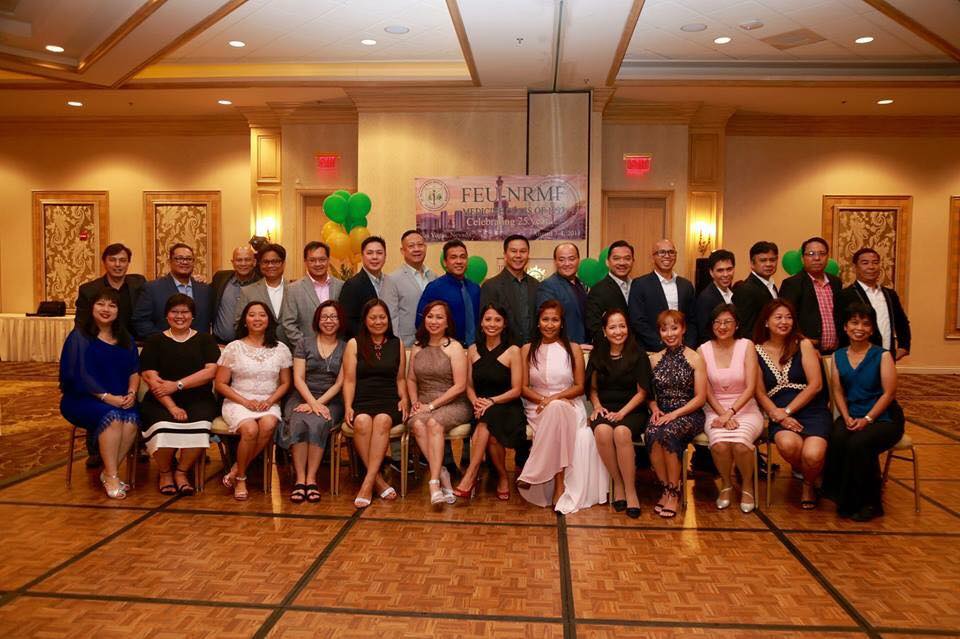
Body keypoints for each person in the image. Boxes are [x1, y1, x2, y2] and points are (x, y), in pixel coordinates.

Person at [517, 301, 608, 514]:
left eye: (555, 320)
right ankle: (557, 485)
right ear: (538, 322)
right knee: (555, 410)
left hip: (569, 403)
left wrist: (555, 398)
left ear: (562, 323)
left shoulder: (573, 349)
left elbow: (579, 387)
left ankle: (534, 473)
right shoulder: (527, 349)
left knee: (557, 408)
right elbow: (523, 387)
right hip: (537, 406)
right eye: (545, 319)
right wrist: (545, 400)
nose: (550, 324)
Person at [824, 302, 904, 522]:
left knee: (859, 443)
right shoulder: (838, 356)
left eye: (866, 324)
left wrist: (868, 419)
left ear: (872, 329)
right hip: (852, 413)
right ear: (845, 327)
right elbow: (838, 391)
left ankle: (870, 503)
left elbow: (889, 394)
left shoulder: (882, 355)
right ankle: (844, 499)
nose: (859, 328)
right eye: (854, 322)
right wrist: (845, 416)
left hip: (884, 417)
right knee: (837, 436)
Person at [59, 288, 141, 499]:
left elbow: (134, 371)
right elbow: (80, 376)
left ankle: (107, 472)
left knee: (132, 419)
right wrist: (106, 397)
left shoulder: (125, 339)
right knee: (113, 417)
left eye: (112, 305)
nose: (106, 309)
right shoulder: (79, 337)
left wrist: (132, 393)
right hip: (82, 398)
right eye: (101, 304)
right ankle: (113, 476)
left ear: (118, 311)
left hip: (119, 397)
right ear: (92, 308)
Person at [753, 299, 832, 509]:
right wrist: (776, 414)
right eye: (778, 317)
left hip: (812, 410)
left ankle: (808, 484)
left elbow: (816, 385)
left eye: (788, 317)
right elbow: (759, 391)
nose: (784, 322)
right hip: (778, 413)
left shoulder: (803, 344)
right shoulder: (755, 350)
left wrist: (787, 411)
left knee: (813, 454)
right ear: (766, 322)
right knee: (789, 445)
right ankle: (810, 473)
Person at [139, 294, 220, 497]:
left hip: (199, 399)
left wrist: (177, 385)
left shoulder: (205, 340)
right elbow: (151, 378)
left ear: (193, 316)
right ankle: (165, 472)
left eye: (185, 312)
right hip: (160, 400)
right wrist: (172, 406)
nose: (180, 316)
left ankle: (182, 472)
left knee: (200, 426)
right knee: (162, 427)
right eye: (174, 312)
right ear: (166, 315)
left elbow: (211, 372)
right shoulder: (154, 341)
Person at [74, 242, 145, 468]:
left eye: (122, 260)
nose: (118, 264)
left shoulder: (139, 284)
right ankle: (96, 449)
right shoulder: (89, 289)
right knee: (100, 395)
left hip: (130, 348)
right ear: (104, 262)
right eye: (113, 260)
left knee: (134, 395)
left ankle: (137, 445)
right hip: (100, 349)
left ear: (128, 263)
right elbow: (81, 325)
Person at [215, 301, 293, 501]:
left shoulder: (281, 348)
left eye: (262, 315)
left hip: (269, 401)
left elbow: (286, 383)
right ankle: (241, 478)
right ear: (244, 321)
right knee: (250, 429)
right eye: (252, 315)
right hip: (238, 401)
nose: (257, 319)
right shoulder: (234, 348)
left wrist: (270, 400)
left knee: (268, 424)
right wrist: (245, 402)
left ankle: (235, 469)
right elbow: (221, 384)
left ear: (269, 320)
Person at [454, 304, 525, 500]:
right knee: (490, 429)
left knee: (488, 420)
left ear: (504, 324)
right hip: (480, 406)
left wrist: (491, 401)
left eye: (497, 320)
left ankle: (471, 474)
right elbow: (468, 386)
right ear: (481, 323)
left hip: (507, 405)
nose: (492, 324)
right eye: (488, 319)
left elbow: (517, 390)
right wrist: (477, 402)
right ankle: (502, 477)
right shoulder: (472, 350)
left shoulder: (513, 351)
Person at [697, 304, 764, 513]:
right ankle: (726, 484)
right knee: (719, 445)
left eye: (727, 322)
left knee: (741, 445)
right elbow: (706, 390)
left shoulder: (747, 346)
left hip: (745, 407)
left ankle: (747, 485)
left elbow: (751, 387)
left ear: (737, 325)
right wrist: (722, 414)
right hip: (714, 408)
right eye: (717, 322)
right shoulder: (703, 350)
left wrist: (730, 413)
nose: (722, 326)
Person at [342, 299, 409, 508]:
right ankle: (378, 481)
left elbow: (400, 379)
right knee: (361, 421)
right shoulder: (354, 344)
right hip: (362, 398)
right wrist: (348, 406)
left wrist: (404, 398)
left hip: (389, 399)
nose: (378, 322)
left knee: (382, 421)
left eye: (382, 317)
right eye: (373, 317)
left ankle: (368, 483)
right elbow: (349, 380)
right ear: (365, 320)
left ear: (388, 319)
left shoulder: (397, 343)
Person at [406, 300, 473, 505]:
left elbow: (460, 386)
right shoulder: (417, 347)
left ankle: (434, 482)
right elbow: (411, 379)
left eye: (439, 317)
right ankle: (442, 471)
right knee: (418, 424)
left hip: (453, 402)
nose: (434, 321)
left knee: (434, 423)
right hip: (423, 402)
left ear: (447, 322)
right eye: (430, 316)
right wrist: (415, 402)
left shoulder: (454, 347)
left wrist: (432, 406)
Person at [279, 300, 345, 504]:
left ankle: (311, 479)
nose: (329, 321)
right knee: (298, 421)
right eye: (324, 317)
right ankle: (300, 479)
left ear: (340, 320)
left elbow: (340, 383)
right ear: (317, 320)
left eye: (333, 317)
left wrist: (318, 404)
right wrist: (311, 402)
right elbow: (298, 378)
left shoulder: (346, 347)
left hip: (331, 399)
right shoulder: (304, 343)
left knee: (317, 422)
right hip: (302, 396)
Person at [587, 309, 651, 518]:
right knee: (602, 431)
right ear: (604, 331)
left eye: (622, 326)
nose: (618, 331)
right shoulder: (598, 354)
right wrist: (597, 406)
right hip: (606, 408)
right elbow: (592, 389)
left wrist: (622, 413)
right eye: (612, 327)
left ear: (628, 328)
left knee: (621, 432)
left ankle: (631, 491)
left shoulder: (638, 354)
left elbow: (642, 393)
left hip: (632, 409)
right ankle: (618, 484)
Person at [646, 310, 706, 518]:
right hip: (662, 412)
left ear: (683, 329)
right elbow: (648, 394)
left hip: (690, 413)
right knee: (652, 432)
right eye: (664, 329)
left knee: (669, 432)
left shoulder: (696, 358)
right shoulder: (654, 359)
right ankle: (666, 488)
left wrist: (675, 414)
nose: (670, 333)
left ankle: (674, 491)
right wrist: (654, 408)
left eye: (674, 328)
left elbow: (700, 398)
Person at [836, 247, 911, 360]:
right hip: (857, 358)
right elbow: (840, 327)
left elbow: (902, 322)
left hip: (887, 356)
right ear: (855, 267)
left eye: (875, 263)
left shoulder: (890, 294)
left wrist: (904, 347)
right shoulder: (845, 295)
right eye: (865, 263)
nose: (871, 267)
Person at [132, 243, 213, 339]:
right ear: (169, 261)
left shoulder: (205, 289)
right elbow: (140, 321)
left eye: (188, 259)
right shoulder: (152, 288)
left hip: (199, 345)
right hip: (164, 345)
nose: (184, 262)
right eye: (179, 258)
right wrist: (164, 339)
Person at [629, 239, 697, 351]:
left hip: (683, 350)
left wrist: (687, 346)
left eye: (671, 252)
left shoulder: (686, 285)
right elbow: (638, 322)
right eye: (662, 252)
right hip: (652, 350)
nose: (667, 256)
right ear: (653, 257)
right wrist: (663, 346)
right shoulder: (640, 284)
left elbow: (692, 320)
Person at [779, 237, 841, 354]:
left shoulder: (836, 282)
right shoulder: (792, 284)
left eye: (822, 254)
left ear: (827, 257)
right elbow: (785, 319)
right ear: (803, 259)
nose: (817, 258)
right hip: (805, 351)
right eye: (811, 254)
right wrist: (803, 342)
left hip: (835, 352)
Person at [417, 240, 481, 347]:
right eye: (453, 257)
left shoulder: (475, 288)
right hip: (446, 348)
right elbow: (420, 321)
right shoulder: (435, 288)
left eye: (463, 257)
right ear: (445, 263)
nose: (459, 261)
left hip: (475, 348)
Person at [281, 241, 344, 348]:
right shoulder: (293, 289)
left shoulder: (341, 286)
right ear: (305, 262)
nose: (317, 264)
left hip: (338, 350)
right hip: (307, 352)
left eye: (322, 259)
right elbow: (289, 324)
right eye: (312, 260)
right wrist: (307, 348)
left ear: (328, 260)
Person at [479, 234, 539, 345]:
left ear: (528, 255)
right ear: (505, 255)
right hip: (504, 351)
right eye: (513, 251)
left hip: (533, 349)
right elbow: (486, 325)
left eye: (523, 251)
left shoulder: (536, 285)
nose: (518, 255)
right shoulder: (491, 286)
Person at [381, 230, 437, 347]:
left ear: (425, 247)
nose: (417, 249)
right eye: (411, 246)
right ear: (403, 251)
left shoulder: (433, 277)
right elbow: (390, 317)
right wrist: (395, 345)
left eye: (420, 245)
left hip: (432, 342)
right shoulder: (392, 279)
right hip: (406, 345)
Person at [235, 244, 289, 346]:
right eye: (265, 262)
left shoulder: (295, 289)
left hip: (291, 349)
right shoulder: (248, 291)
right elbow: (239, 324)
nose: (270, 265)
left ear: (283, 263)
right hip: (258, 349)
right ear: (259, 264)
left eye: (275, 261)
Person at [537, 243, 588, 345]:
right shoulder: (548, 286)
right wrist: (570, 347)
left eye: (571, 259)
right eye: (561, 260)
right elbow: (548, 325)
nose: (567, 263)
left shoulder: (580, 284)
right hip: (563, 347)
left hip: (584, 346)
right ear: (555, 262)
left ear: (578, 260)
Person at [338, 236, 387, 337]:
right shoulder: (352, 285)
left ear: (385, 256)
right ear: (362, 256)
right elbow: (348, 322)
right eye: (369, 253)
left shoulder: (390, 281)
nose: (375, 257)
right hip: (363, 342)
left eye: (379, 253)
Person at [585, 240, 633, 340]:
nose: (622, 263)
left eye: (627, 258)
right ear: (607, 262)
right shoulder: (598, 291)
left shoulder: (637, 285)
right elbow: (594, 327)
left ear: (633, 261)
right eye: (616, 258)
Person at [212, 245, 260, 344]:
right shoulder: (220, 278)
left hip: (249, 346)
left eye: (247, 260)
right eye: (239, 260)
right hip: (220, 344)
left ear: (254, 262)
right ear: (233, 262)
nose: (243, 263)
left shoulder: (262, 285)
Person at [733, 241, 779, 340]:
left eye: (772, 260)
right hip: (757, 345)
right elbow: (745, 329)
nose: (768, 264)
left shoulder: (772, 285)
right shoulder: (745, 289)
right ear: (752, 264)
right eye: (763, 260)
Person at [694, 249, 735, 346]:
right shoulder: (706, 298)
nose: (725, 274)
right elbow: (704, 334)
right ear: (711, 272)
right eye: (720, 270)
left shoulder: (733, 294)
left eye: (729, 269)